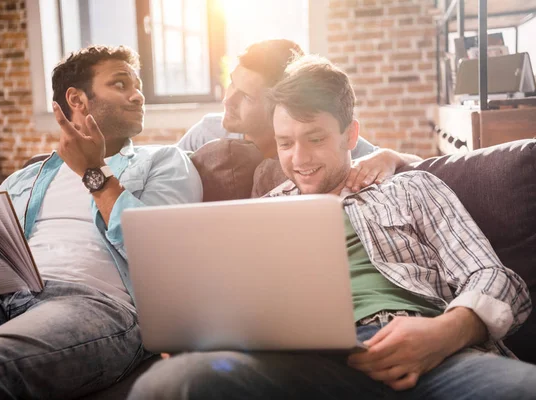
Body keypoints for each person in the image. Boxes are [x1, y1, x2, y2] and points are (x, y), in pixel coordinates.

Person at [129, 55, 535, 399]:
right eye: (286, 143)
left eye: (315, 138)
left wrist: (449, 331)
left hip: (431, 354)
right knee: (168, 384)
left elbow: (497, 278)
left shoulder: (410, 187)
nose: (300, 158)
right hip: (305, 367)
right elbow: (235, 310)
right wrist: (199, 333)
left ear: (350, 135)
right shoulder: (261, 213)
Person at [0, 45, 202, 399]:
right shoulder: (23, 178)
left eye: (137, 85)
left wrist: (94, 172)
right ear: (77, 99)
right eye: (121, 84)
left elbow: (164, 254)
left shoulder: (163, 161)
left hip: (94, 303)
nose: (138, 95)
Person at [177, 39, 422, 192]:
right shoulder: (207, 133)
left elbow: (417, 165)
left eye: (247, 96)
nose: (228, 100)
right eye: (232, 84)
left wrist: (390, 156)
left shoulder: (327, 143)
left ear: (282, 103)